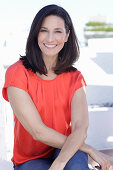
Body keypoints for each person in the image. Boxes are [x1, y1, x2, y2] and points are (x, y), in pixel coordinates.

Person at [2, 4, 110, 170]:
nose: (50, 38)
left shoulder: (75, 77)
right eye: (44, 30)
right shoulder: (17, 72)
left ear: (67, 35)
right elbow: (37, 131)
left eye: (58, 31)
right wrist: (89, 149)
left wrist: (59, 162)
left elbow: (80, 127)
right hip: (29, 159)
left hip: (65, 150)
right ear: (35, 34)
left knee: (76, 166)